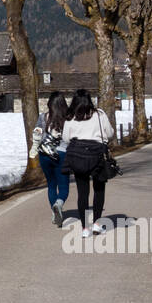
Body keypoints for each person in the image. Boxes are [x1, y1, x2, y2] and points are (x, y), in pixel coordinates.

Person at [62, 89, 115, 238]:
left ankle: (85, 227)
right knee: (99, 189)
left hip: (78, 155)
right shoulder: (99, 114)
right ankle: (97, 224)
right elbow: (109, 133)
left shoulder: (70, 117)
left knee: (82, 192)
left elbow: (66, 138)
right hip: (97, 154)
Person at [28, 91, 70, 227]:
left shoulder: (43, 117)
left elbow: (37, 134)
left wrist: (34, 148)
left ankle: (54, 211)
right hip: (62, 154)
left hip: (44, 154)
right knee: (63, 187)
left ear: (49, 104)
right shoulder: (69, 119)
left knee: (51, 185)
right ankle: (59, 204)